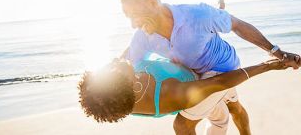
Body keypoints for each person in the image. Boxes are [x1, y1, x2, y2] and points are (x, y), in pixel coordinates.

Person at [120, 0, 300, 135]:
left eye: (135, 15)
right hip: (195, 75)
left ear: (152, 2)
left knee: (182, 125)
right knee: (234, 108)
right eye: (128, 18)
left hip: (226, 69)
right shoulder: (142, 36)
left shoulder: (197, 15)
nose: (132, 24)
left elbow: (237, 24)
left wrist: (276, 52)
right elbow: (128, 65)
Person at [78, 55, 300, 135]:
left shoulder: (119, 94)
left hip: (194, 87)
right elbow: (218, 82)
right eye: (112, 67)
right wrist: (268, 66)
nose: (115, 60)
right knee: (223, 114)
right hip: (200, 91)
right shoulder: (169, 93)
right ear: (126, 84)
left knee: (229, 110)